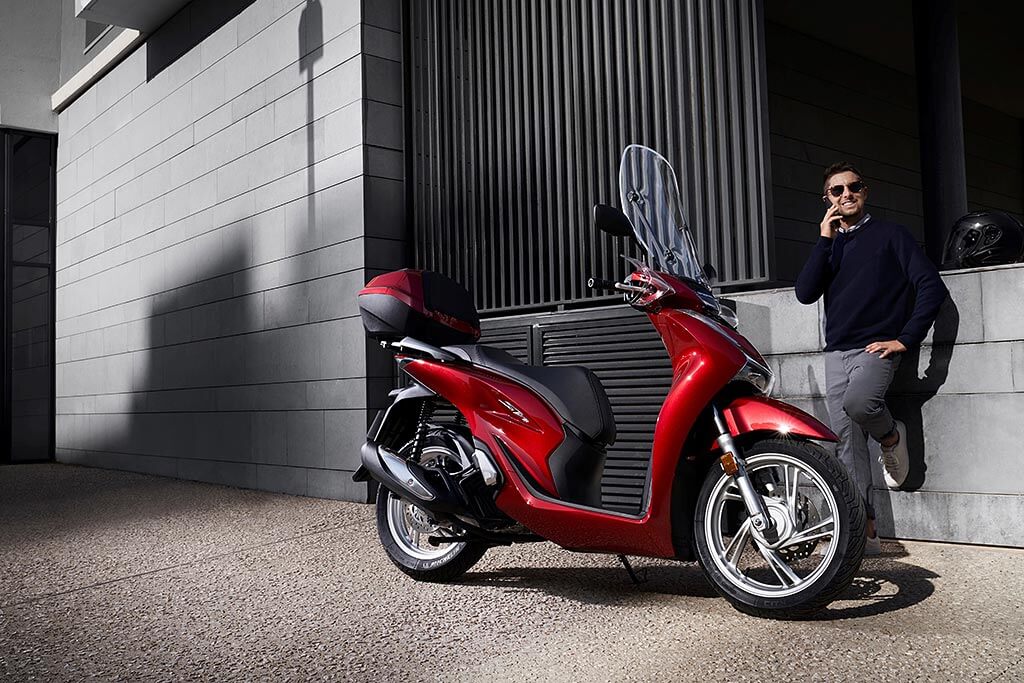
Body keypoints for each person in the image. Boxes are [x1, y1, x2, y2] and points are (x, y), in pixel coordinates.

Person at [795, 162, 948, 555]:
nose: (847, 194)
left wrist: (905, 339)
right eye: (837, 190)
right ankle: (864, 535)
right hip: (836, 352)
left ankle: (891, 436)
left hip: (874, 349)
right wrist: (824, 240)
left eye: (854, 186)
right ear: (827, 200)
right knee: (846, 447)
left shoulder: (891, 235)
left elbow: (930, 286)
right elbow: (805, 293)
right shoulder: (831, 245)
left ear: (865, 191)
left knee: (860, 404)